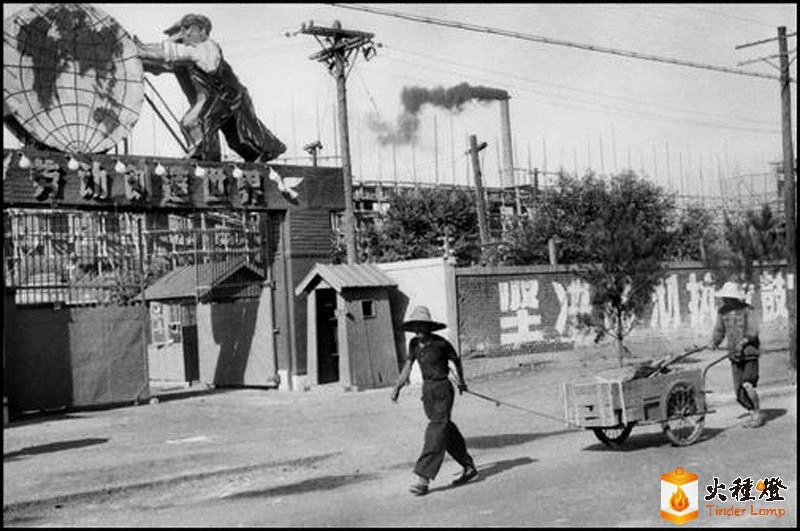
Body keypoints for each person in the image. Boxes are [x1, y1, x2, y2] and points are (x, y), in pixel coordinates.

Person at [137, 14, 286, 163]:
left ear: (202, 30)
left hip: (230, 96)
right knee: (235, 139)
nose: (185, 34)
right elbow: (163, 62)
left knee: (201, 120)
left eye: (188, 29)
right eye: (183, 30)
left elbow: (200, 62)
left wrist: (143, 51)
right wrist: (142, 54)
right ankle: (249, 155)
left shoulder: (207, 47)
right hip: (219, 99)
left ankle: (208, 156)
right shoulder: (188, 56)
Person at [391, 306, 478, 496]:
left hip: (442, 389)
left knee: (436, 429)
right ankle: (468, 466)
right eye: (415, 326)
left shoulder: (441, 344)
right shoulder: (414, 344)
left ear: (429, 327)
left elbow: (457, 361)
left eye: (422, 326)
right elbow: (408, 364)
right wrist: (397, 386)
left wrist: (462, 382)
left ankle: (423, 478)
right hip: (427, 390)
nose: (418, 330)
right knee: (444, 428)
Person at [709, 281, 763, 428]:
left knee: (747, 384)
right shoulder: (722, 312)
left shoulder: (748, 310)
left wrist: (744, 342)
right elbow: (719, 330)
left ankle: (757, 413)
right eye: (724, 297)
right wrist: (714, 342)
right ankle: (752, 412)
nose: (725, 300)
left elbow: (753, 330)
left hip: (749, 353)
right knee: (738, 392)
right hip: (734, 354)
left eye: (727, 297)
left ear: (735, 298)